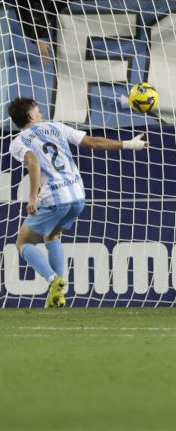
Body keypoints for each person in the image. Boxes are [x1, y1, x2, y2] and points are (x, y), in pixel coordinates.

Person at [7, 97, 147, 308]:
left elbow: (33, 161)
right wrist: (130, 144)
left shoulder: (18, 142)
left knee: (23, 243)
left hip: (54, 199)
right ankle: (58, 295)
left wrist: (33, 196)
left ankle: (53, 280)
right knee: (52, 234)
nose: (42, 114)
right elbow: (93, 142)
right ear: (30, 115)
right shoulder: (56, 127)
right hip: (77, 196)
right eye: (38, 110)